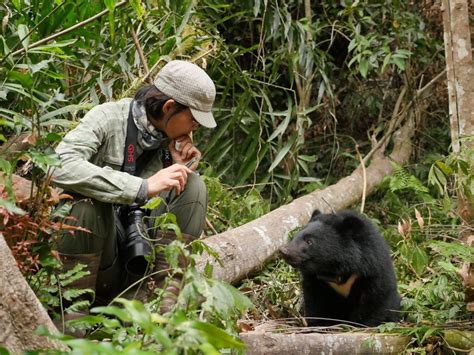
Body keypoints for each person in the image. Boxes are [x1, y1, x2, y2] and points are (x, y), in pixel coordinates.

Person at [51, 60, 216, 304]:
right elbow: (57, 165)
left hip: (136, 263)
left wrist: (178, 166)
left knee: (194, 185)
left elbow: (167, 205)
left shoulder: (168, 143)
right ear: (169, 107)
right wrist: (141, 187)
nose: (195, 128)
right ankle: (71, 316)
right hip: (91, 255)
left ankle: (161, 305)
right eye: (193, 120)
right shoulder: (109, 117)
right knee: (85, 205)